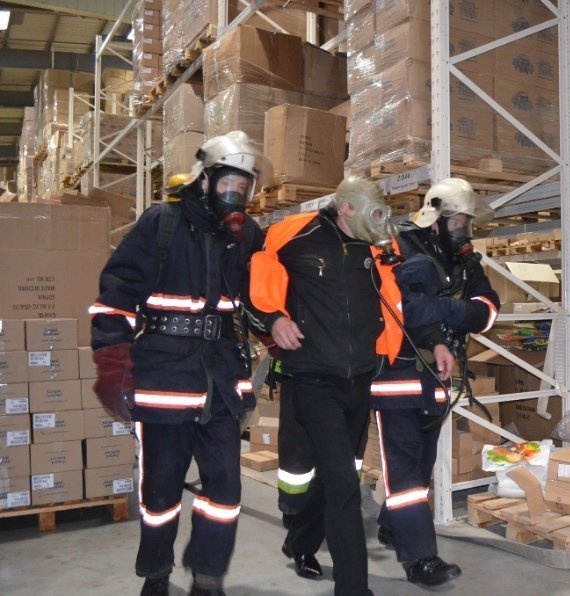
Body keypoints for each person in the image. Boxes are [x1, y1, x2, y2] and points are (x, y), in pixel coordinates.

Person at [89, 130, 268, 596]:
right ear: (204, 180)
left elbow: (263, 295)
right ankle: (156, 573)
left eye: (243, 186)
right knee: (160, 490)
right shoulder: (162, 223)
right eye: (227, 183)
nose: (235, 195)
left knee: (225, 490)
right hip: (164, 378)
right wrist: (112, 362)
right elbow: (116, 294)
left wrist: (281, 323)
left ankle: (208, 577)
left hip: (221, 380)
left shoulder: (246, 236)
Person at [246, 175, 404, 596]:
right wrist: (273, 321)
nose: (378, 219)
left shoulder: (378, 246)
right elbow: (252, 283)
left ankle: (299, 542)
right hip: (313, 378)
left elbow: (398, 298)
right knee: (344, 484)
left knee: (335, 476)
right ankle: (353, 587)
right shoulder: (295, 236)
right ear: (346, 207)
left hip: (360, 377)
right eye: (372, 209)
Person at [370, 178, 500, 587]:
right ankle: (421, 560)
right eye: (458, 220)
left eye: (467, 221)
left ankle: (392, 526)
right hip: (397, 373)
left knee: (421, 464)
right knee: (405, 471)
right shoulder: (401, 246)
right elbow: (408, 308)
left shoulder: (464, 260)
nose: (464, 229)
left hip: (436, 374)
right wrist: (454, 311)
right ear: (436, 216)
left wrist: (446, 310)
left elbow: (487, 310)